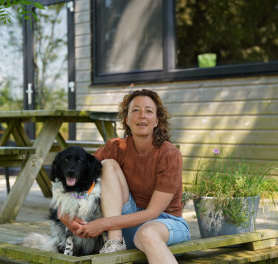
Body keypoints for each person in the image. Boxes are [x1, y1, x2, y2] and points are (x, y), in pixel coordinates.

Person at [60, 89, 190, 263]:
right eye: (135, 110)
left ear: (157, 121)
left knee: (147, 234)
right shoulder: (116, 147)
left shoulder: (169, 155)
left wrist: (103, 224)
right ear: (127, 120)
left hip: (166, 224)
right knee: (107, 165)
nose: (142, 115)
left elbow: (152, 212)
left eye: (149, 111)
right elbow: (80, 171)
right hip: (126, 226)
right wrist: (63, 212)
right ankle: (114, 243)